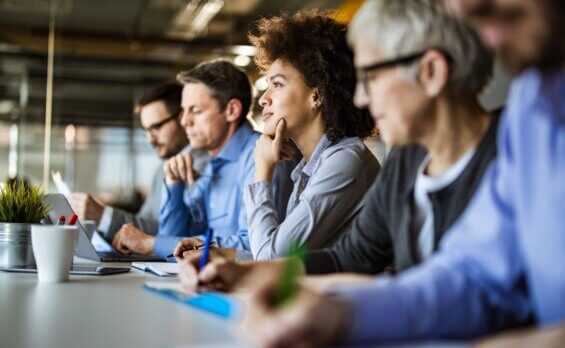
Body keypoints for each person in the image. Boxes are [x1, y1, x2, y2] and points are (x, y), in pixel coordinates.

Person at [237, 0, 565, 348]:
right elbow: (472, 274)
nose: (465, 7)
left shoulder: (350, 159)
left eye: (371, 78)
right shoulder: (533, 99)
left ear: (430, 72)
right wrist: (342, 316)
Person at [177, 2, 500, 292]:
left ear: (431, 71)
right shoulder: (408, 156)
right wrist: (242, 273)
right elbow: (354, 256)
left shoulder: (508, 157)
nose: (361, 98)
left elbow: (474, 294)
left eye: (371, 78)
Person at [111, 60, 293, 260]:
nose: (184, 121)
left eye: (195, 111)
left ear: (232, 110)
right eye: (183, 111)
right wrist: (175, 186)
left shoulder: (263, 157)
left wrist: (151, 244)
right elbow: (175, 238)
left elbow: (253, 246)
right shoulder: (211, 163)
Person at [68, 83, 207, 239]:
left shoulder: (205, 166)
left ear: (183, 119)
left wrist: (104, 216)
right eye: (146, 130)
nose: (150, 139)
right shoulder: (161, 171)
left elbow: (174, 235)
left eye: (157, 127)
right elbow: (144, 224)